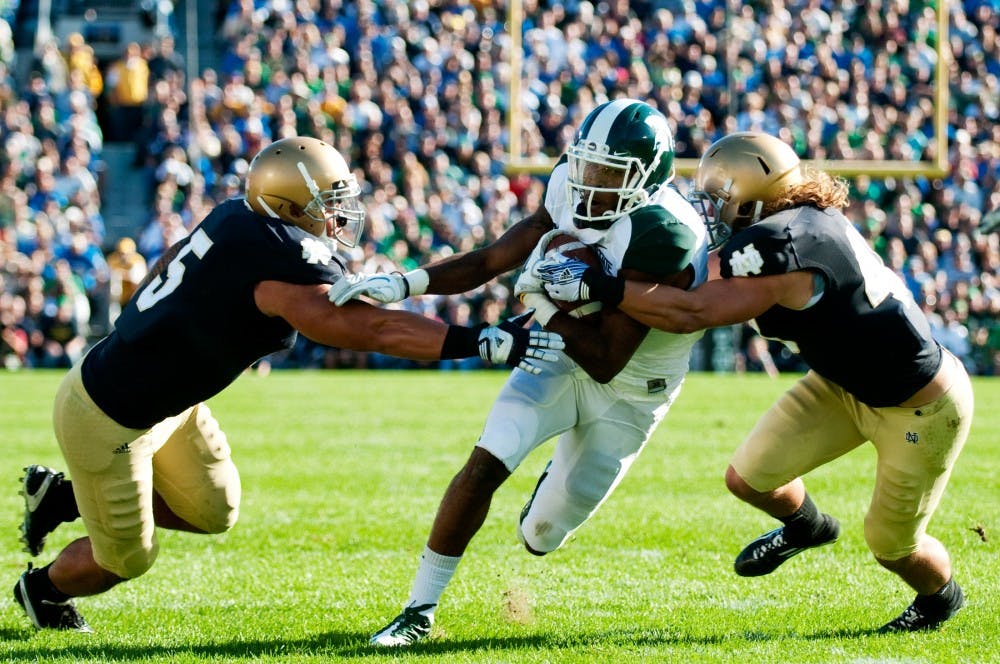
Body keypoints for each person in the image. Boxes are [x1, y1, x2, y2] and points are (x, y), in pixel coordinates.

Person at [14, 136, 563, 633]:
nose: (337, 215)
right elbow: (364, 327)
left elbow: (169, 261)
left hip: (164, 401)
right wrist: (478, 341)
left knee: (213, 510)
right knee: (128, 558)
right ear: (285, 204)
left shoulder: (238, 217)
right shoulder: (277, 259)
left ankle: (62, 495)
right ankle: (42, 592)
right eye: (326, 202)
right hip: (110, 418)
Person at [538, 131, 974, 632]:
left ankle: (941, 598)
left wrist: (602, 284)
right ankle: (808, 526)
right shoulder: (787, 227)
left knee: (891, 545)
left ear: (753, 194)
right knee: (748, 478)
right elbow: (699, 279)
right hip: (842, 385)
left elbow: (692, 311)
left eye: (720, 199)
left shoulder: (782, 243)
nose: (712, 211)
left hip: (919, 406)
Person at [330, 99, 709, 646]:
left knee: (541, 535)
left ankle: (546, 500)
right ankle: (418, 611)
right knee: (486, 461)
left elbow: (606, 359)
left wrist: (545, 305)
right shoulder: (568, 185)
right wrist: (403, 283)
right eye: (587, 166)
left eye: (609, 175)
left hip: (631, 386)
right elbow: (489, 260)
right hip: (557, 349)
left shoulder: (663, 231)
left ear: (645, 179)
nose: (590, 184)